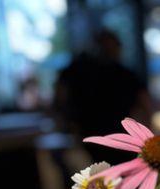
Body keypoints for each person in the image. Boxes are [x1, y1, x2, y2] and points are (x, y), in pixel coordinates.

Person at [53, 30, 151, 164]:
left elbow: (60, 94)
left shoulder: (81, 70)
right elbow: (145, 105)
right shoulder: (124, 74)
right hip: (107, 139)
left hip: (102, 139)